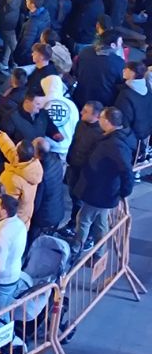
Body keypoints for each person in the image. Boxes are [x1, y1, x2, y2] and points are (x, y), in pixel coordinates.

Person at [72, 106, 135, 254]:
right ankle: (100, 252)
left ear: (107, 122)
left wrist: (125, 191)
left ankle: (77, 249)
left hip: (100, 191)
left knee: (83, 220)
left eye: (101, 118)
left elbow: (126, 170)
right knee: (100, 222)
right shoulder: (116, 138)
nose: (98, 121)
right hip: (105, 190)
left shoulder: (115, 144)